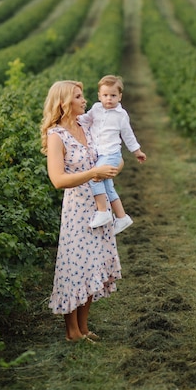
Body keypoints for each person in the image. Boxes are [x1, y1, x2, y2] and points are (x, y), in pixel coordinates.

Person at [40, 80, 122, 343]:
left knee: (94, 266)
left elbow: (111, 149)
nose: (84, 100)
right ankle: (71, 332)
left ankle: (84, 328)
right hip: (77, 208)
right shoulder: (56, 135)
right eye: (78, 96)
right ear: (64, 103)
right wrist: (93, 173)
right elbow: (58, 180)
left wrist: (115, 165)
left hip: (99, 206)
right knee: (75, 267)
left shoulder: (86, 125)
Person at [79, 74, 146, 235]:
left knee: (95, 177)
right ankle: (122, 217)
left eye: (113, 95)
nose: (109, 99)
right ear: (99, 96)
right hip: (99, 154)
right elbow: (86, 120)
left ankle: (103, 211)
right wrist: (72, 118)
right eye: (105, 95)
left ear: (120, 96)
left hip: (111, 154)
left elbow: (128, 135)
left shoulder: (121, 115)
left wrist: (137, 151)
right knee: (108, 188)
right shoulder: (96, 109)